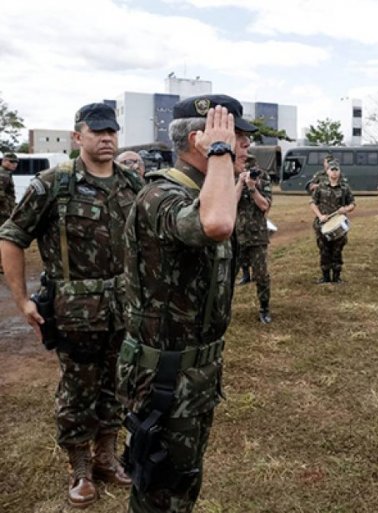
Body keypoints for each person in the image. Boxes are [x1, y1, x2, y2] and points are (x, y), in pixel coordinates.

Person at [116, 95, 253, 512]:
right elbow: (215, 225)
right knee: (160, 489)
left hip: (193, 373)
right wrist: (221, 153)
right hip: (164, 378)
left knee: (182, 482)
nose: (244, 146)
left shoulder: (199, 191)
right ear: (200, 140)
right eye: (237, 137)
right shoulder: (161, 196)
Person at [0, 103, 141, 507]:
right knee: (78, 390)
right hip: (75, 312)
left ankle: (106, 456)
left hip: (124, 308)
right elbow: (11, 237)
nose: (107, 138)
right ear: (77, 137)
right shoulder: (53, 184)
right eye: (97, 132)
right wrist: (22, 299)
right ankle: (79, 467)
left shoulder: (131, 183)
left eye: (112, 131)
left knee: (117, 384)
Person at [235, 154, 273, 323]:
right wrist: (239, 183)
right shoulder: (231, 178)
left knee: (261, 275)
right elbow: (229, 203)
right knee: (227, 275)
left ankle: (264, 308)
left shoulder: (262, 180)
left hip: (257, 236)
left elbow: (265, 206)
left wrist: (252, 188)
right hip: (235, 235)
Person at [310, 160, 356, 284]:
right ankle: (325, 277)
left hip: (339, 225)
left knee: (337, 250)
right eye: (332, 170)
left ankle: (336, 277)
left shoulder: (345, 188)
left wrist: (345, 209)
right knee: (324, 250)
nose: (334, 173)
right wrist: (320, 216)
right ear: (327, 171)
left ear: (339, 172)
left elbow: (353, 204)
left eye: (336, 170)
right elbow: (313, 203)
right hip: (323, 224)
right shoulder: (320, 186)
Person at [0, 151, 18, 273]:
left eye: (16, 162)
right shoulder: (3, 175)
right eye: (12, 162)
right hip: (2, 212)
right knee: (4, 237)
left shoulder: (6, 174)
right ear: (5, 161)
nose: (14, 165)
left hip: (4, 211)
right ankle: (2, 264)